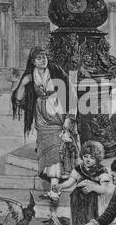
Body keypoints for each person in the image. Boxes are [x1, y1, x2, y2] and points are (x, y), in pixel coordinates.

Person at [12, 46, 79, 201]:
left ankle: (55, 190)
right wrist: (23, 83)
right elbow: (19, 99)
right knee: (47, 151)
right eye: (39, 58)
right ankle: (54, 188)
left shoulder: (56, 71)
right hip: (41, 118)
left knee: (57, 148)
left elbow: (70, 93)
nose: (43, 60)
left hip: (58, 112)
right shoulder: (30, 75)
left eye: (45, 57)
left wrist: (70, 118)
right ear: (33, 61)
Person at [54, 141, 111, 225]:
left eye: (92, 158)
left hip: (94, 203)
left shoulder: (102, 171)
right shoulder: (78, 169)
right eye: (85, 156)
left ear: (97, 159)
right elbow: (70, 182)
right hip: (79, 203)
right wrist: (61, 186)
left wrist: (93, 187)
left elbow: (105, 189)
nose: (88, 160)